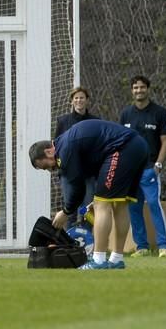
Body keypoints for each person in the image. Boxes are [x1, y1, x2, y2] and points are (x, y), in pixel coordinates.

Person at [29, 119, 149, 269]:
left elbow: (77, 188)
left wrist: (66, 212)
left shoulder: (65, 150)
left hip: (123, 148)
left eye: (46, 166)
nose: (50, 170)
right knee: (120, 204)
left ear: (48, 151)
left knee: (102, 204)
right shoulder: (67, 142)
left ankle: (98, 260)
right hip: (138, 146)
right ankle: (116, 259)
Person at [120, 75, 166, 257]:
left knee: (153, 204)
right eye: (135, 88)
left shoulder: (159, 112)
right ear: (131, 90)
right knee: (134, 208)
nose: (139, 91)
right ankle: (141, 247)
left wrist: (159, 163)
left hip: (150, 168)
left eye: (142, 87)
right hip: (131, 170)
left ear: (147, 89)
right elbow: (122, 142)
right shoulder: (126, 113)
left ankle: (164, 246)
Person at [54, 86, 99, 229]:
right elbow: (57, 146)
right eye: (76, 98)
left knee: (88, 209)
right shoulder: (63, 121)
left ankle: (88, 243)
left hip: (88, 174)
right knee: (70, 209)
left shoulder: (95, 121)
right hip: (69, 174)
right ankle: (69, 243)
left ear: (87, 101)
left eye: (82, 98)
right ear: (72, 101)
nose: (79, 100)